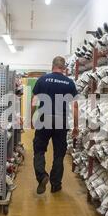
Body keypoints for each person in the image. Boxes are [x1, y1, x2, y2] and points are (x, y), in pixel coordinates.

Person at [31, 56, 79, 194]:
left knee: (39, 150)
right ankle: (55, 185)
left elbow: (34, 101)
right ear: (64, 68)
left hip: (44, 119)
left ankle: (42, 176)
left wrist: (30, 119)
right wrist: (76, 126)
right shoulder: (69, 83)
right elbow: (75, 107)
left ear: (52, 65)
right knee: (59, 154)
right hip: (61, 120)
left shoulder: (42, 79)